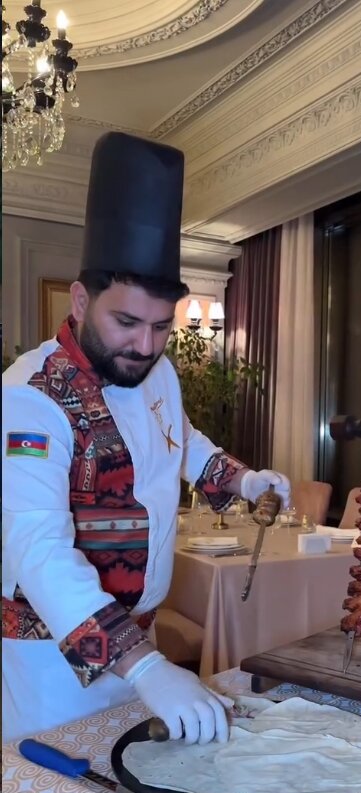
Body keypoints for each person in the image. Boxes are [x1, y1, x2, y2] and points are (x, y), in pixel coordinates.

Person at [2, 132, 290, 744]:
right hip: (53, 660)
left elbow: (180, 439)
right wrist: (147, 668)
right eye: (126, 322)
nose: (145, 345)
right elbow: (38, 553)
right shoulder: (29, 397)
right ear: (81, 300)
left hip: (142, 644)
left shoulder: (155, 372)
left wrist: (243, 480)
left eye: (161, 327)